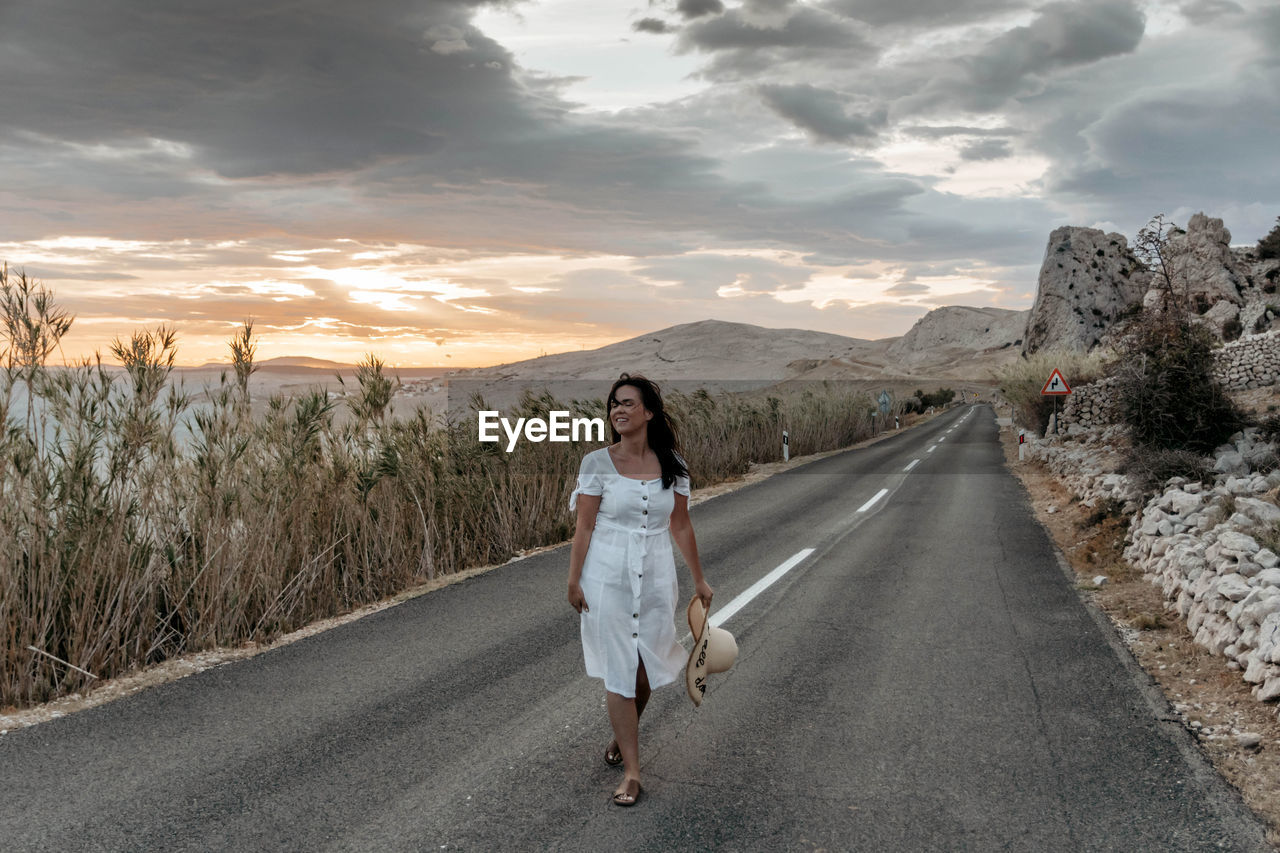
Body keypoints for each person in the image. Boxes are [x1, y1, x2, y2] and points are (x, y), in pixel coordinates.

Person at [567, 373, 714, 807]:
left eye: (628, 403)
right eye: (614, 404)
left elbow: (681, 525)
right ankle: (632, 772)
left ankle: (620, 735)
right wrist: (573, 580)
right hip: (607, 574)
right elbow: (584, 526)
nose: (619, 410)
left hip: (656, 574)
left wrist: (699, 578)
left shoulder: (674, 465)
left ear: (649, 412)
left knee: (645, 670)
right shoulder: (596, 463)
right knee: (619, 669)